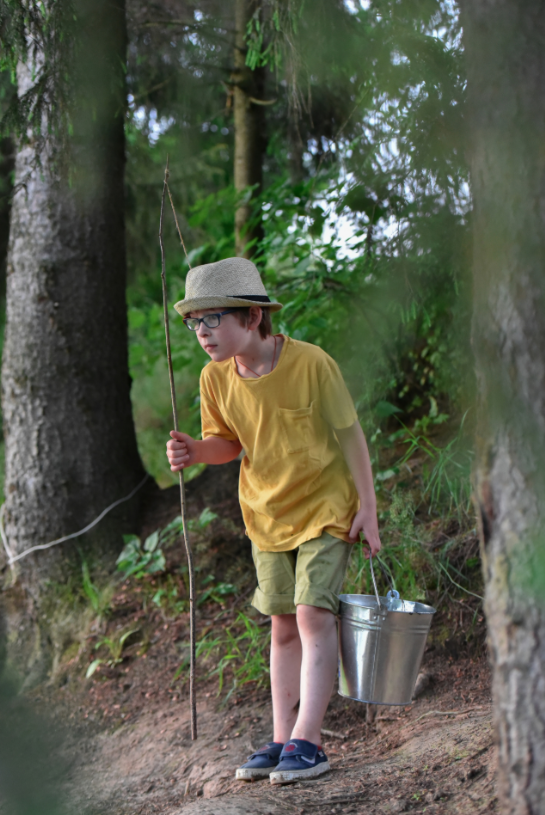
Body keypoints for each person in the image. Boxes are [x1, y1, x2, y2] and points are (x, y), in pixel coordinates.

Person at [166, 257, 381, 785]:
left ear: (252, 317)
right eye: (195, 322)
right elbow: (228, 444)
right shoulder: (214, 379)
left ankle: (310, 739)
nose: (202, 333)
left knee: (312, 613)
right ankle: (283, 737)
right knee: (283, 625)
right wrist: (195, 451)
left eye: (213, 319)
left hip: (326, 507)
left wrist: (369, 508)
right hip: (265, 515)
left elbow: (351, 435)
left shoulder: (311, 364)